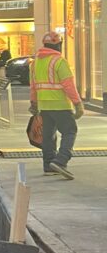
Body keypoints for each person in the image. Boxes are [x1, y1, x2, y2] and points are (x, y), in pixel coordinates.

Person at [29, 31, 84, 180]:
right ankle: (61, 161)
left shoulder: (35, 62)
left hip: (44, 106)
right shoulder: (59, 61)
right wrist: (78, 104)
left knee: (48, 136)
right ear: (59, 45)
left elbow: (33, 86)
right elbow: (69, 85)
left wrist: (33, 103)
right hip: (61, 105)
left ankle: (48, 166)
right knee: (70, 131)